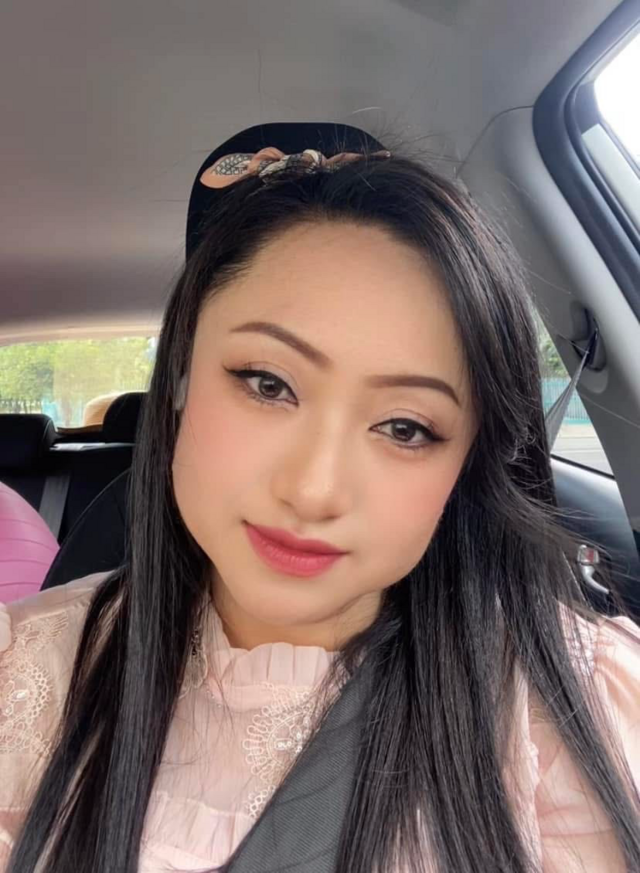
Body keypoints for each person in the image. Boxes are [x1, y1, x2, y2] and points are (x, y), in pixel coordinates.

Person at [0, 122, 638, 873]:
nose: (313, 489)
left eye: (405, 427)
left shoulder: (575, 706)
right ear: (179, 377)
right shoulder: (24, 674)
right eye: (268, 384)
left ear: (466, 461)